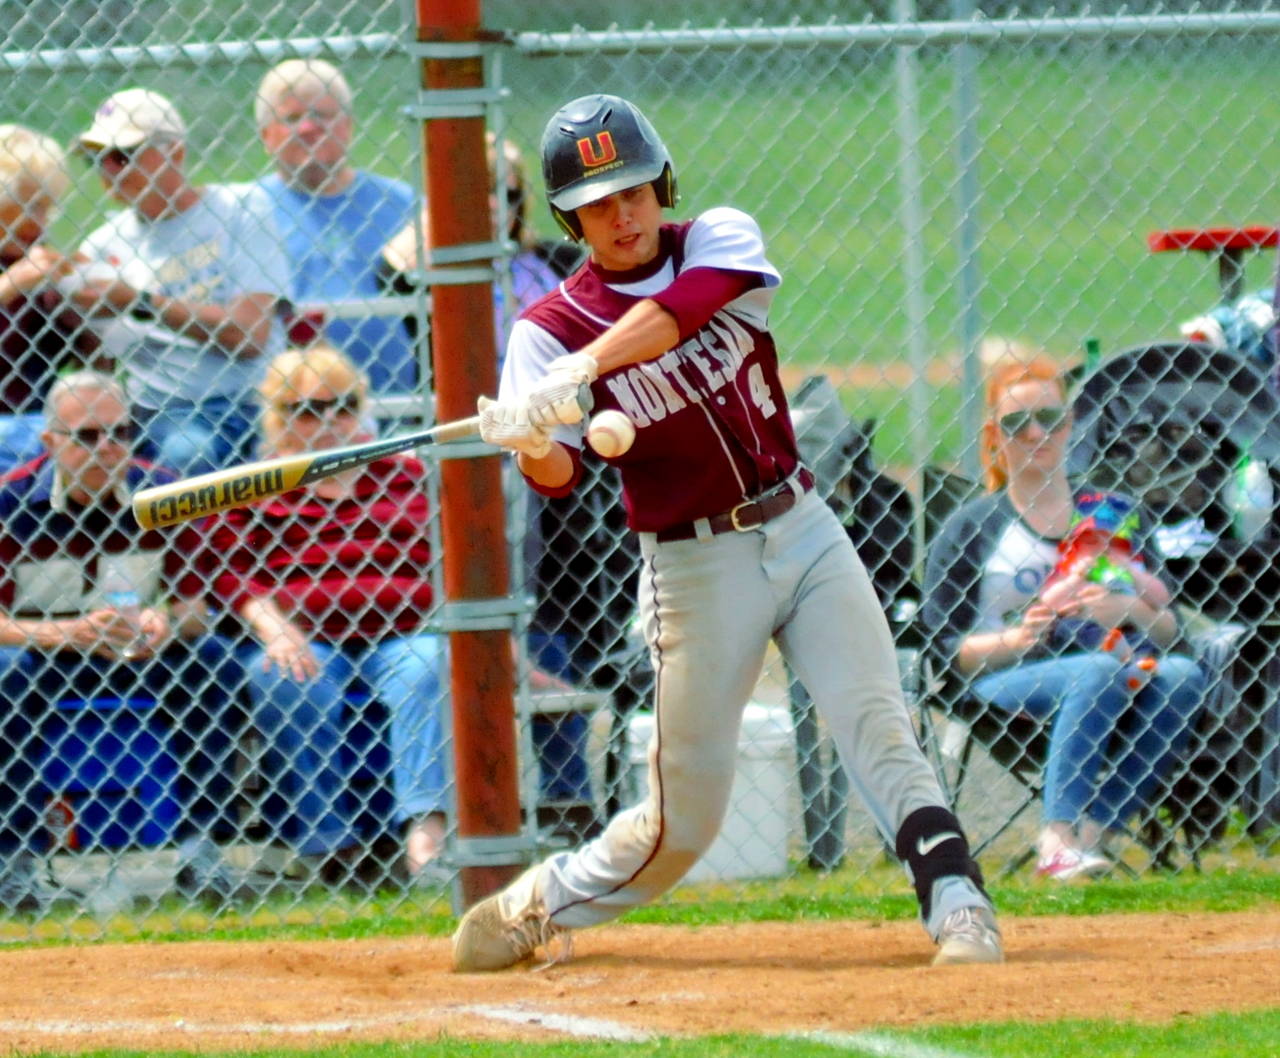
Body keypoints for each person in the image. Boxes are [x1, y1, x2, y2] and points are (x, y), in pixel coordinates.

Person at [451, 94, 1002, 971]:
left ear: (662, 183)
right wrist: (527, 437)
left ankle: (959, 904)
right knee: (684, 821)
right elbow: (554, 479)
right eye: (597, 203)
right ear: (570, 217)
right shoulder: (541, 332)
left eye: (633, 190)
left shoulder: (717, 239)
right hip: (694, 568)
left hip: (802, 522)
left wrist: (585, 370)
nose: (622, 214)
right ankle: (544, 901)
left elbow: (687, 309)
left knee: (877, 717)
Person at [921, 356, 1206, 880]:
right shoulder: (973, 527)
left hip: (1121, 664)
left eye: (1049, 419)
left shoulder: (1110, 513)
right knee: (1095, 671)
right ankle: (1056, 836)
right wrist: (1020, 636)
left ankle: (1090, 834)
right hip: (1005, 680)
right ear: (994, 436)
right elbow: (943, 651)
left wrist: (1129, 609)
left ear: (1071, 424)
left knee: (1183, 677)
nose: (1034, 433)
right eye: (1015, 423)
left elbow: (1173, 631)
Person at [202, 344, 447, 886]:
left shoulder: (403, 474)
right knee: (289, 677)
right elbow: (233, 573)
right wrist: (276, 629)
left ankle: (427, 835)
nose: (328, 421)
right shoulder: (255, 483)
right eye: (307, 409)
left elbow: (447, 558)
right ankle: (330, 845)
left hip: (404, 632)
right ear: (276, 415)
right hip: (306, 635)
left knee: (431, 665)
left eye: (341, 405)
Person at [0, 370, 244, 912]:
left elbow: (196, 608)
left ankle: (199, 846)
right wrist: (62, 633)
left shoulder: (164, 492)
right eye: (87, 436)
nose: (108, 447)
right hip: (45, 651)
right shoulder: (9, 503)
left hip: (140, 650)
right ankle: (13, 858)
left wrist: (166, 624)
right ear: (49, 442)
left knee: (213, 664)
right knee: (5, 675)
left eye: (121, 432)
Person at [70, 87, 290, 476]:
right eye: (98, 159)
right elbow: (99, 362)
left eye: (123, 156)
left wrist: (139, 302)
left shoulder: (241, 209)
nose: (109, 170)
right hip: (167, 412)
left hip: (259, 397)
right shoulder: (102, 246)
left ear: (175, 152)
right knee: (188, 454)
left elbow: (248, 337)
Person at [253, 59, 419, 395]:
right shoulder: (247, 211)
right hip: (294, 413)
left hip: (400, 401)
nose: (308, 128)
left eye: (323, 115)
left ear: (347, 126)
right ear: (265, 135)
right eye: (291, 118)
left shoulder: (404, 205)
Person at [0, 123, 97, 470]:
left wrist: (86, 305)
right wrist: (11, 285)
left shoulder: (37, 262)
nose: (39, 222)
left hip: (40, 418)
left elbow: (89, 357)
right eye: (29, 206)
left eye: (46, 207)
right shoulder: (20, 271)